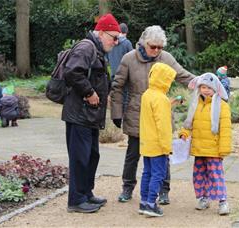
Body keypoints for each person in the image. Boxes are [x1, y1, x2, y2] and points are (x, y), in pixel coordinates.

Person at [110, 25, 196, 204]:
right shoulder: (129, 59)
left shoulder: (166, 58)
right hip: (137, 114)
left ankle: (164, 190)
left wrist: (206, 82)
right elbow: (117, 86)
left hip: (161, 116)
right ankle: (127, 187)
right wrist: (116, 113)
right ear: (143, 43)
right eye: (153, 46)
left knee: (163, 153)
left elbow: (183, 76)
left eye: (160, 47)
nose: (156, 50)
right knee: (133, 154)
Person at [62, 13, 121, 213]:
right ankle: (76, 200)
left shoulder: (96, 49)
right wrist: (89, 92)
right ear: (102, 33)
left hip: (89, 116)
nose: (116, 42)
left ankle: (86, 193)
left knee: (91, 155)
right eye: (114, 37)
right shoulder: (86, 47)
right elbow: (72, 71)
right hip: (80, 115)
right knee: (80, 157)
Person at [179, 72, 232, 216]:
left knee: (216, 175)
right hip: (199, 148)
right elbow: (189, 122)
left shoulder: (222, 106)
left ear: (216, 88)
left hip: (214, 149)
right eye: (202, 87)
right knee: (199, 175)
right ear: (199, 88)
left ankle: (222, 201)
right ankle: (203, 198)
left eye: (209, 87)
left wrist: (224, 148)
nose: (206, 90)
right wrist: (184, 133)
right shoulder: (195, 104)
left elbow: (225, 129)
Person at [138, 62, 176, 217]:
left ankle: (143, 201)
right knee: (158, 174)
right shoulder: (161, 99)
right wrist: (167, 146)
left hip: (146, 143)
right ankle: (151, 204)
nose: (170, 83)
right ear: (164, 79)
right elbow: (163, 126)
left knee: (147, 173)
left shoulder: (147, 94)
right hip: (158, 145)